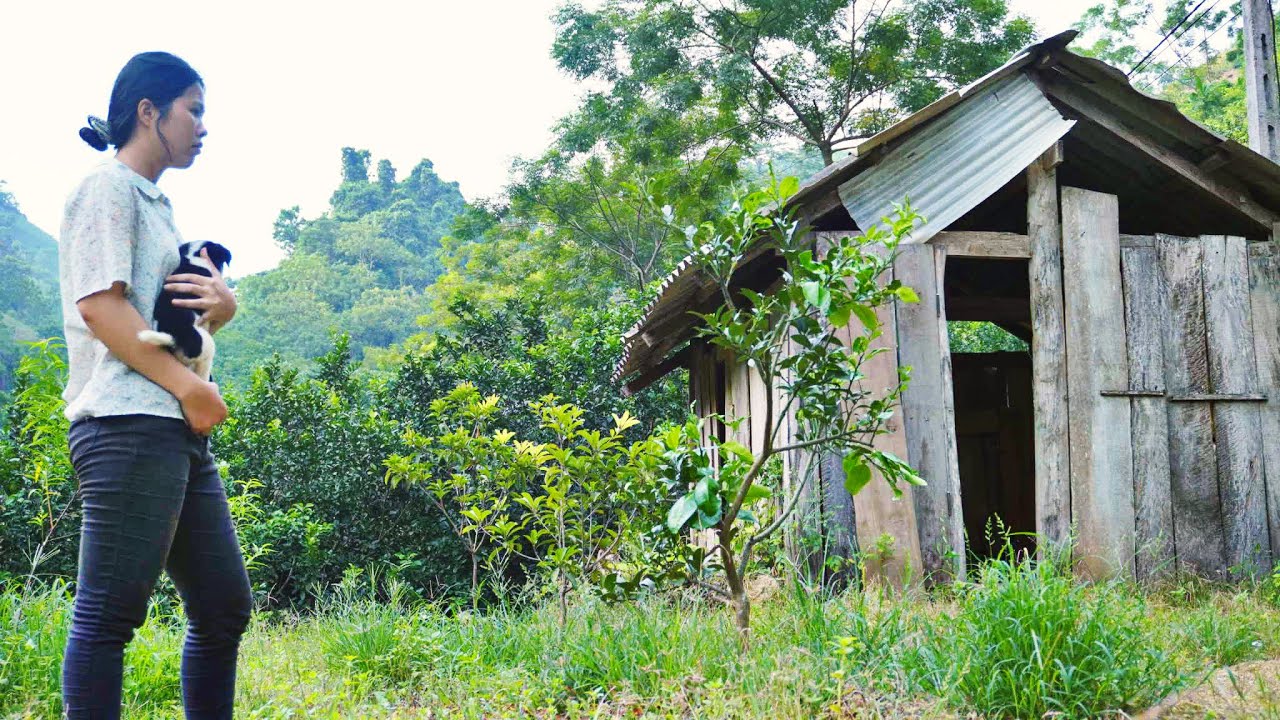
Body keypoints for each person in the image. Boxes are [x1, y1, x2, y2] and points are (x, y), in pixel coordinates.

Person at [59, 51, 251, 719]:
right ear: (150, 111)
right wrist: (191, 388)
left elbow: (165, 318)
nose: (202, 127)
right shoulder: (106, 189)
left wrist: (220, 311)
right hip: (125, 424)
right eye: (193, 111)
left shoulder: (156, 204)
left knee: (224, 606)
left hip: (170, 427)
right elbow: (101, 307)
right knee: (109, 616)